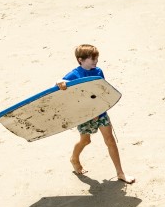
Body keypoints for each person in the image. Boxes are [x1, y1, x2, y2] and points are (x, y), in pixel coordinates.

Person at [56, 43, 134, 183]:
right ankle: (74, 158)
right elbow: (60, 84)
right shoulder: (75, 74)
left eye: (96, 59)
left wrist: (101, 108)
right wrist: (60, 82)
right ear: (81, 60)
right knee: (86, 140)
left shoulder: (98, 71)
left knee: (110, 141)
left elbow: (102, 90)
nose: (96, 62)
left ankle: (120, 173)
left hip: (100, 112)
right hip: (85, 115)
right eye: (93, 59)